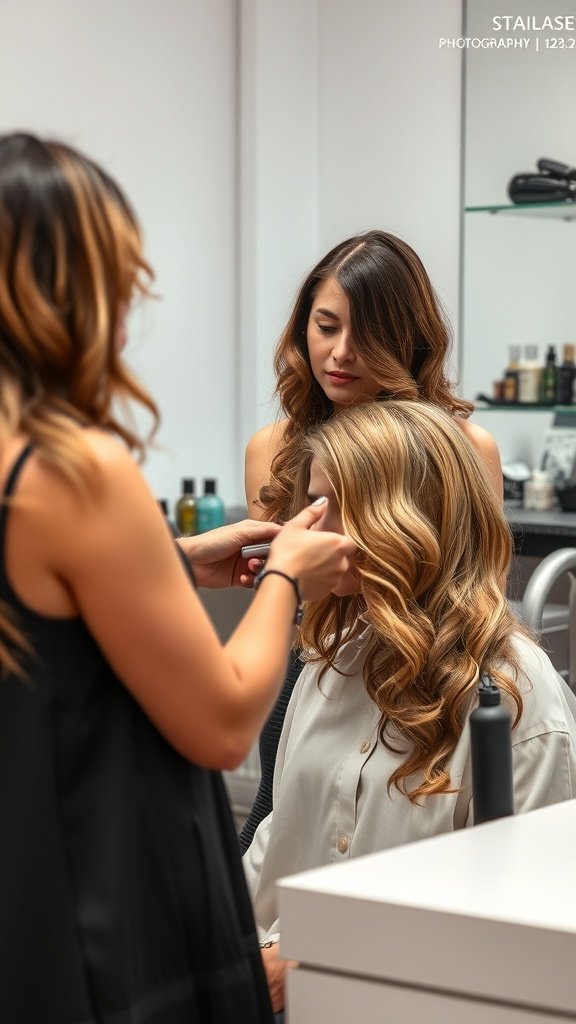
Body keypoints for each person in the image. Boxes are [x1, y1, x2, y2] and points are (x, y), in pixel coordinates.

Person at [0, 131, 355, 1024]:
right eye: (117, 276)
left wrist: (167, 563)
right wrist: (287, 578)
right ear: (64, 286)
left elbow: (45, 630)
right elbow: (226, 722)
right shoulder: (77, 470)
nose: (129, 303)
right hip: (104, 913)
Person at [242, 400, 576, 1017]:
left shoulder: (519, 701)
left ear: (402, 518)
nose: (305, 531)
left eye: (328, 507)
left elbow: (530, 936)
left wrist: (310, 958)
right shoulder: (327, 662)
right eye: (308, 504)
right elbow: (280, 835)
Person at [240, 229, 504, 853]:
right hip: (312, 678)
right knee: (272, 849)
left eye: (368, 332)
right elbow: (286, 602)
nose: (340, 352)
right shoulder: (273, 451)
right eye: (325, 326)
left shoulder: (465, 451)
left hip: (423, 686)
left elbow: (477, 596)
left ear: (409, 339)